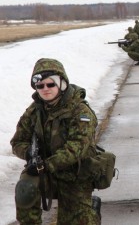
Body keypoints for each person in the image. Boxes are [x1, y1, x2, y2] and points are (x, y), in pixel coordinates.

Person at [10, 58, 101, 224]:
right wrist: (29, 153)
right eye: (40, 86)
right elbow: (17, 142)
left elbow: (76, 148)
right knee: (25, 188)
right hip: (44, 170)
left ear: (62, 84)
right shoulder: (34, 111)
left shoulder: (80, 111)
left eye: (50, 84)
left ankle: (91, 211)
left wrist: (45, 165)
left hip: (75, 173)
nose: (45, 89)